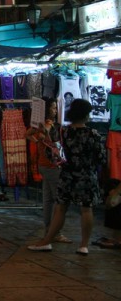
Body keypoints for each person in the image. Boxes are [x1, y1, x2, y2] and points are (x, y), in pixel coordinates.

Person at [28, 99, 107, 255]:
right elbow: (101, 159)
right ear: (86, 115)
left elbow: (52, 155)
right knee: (86, 209)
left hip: (67, 175)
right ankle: (83, 245)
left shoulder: (63, 132)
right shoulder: (94, 134)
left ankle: (47, 241)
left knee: (60, 208)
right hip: (86, 176)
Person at [26, 97, 71, 244]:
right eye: (52, 107)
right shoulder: (47, 125)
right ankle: (55, 233)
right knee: (57, 200)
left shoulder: (43, 125)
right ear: (46, 110)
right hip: (52, 166)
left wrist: (38, 141)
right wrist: (42, 138)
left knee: (48, 200)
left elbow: (27, 134)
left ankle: (48, 230)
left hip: (43, 165)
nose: (55, 110)